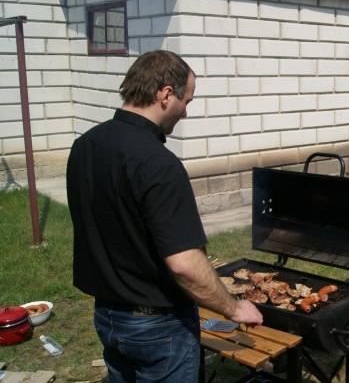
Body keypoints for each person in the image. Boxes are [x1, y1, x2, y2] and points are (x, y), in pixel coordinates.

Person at [66, 50, 263, 383]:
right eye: (187, 100)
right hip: (159, 327)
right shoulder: (159, 164)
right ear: (165, 94)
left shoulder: (85, 146)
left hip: (108, 316)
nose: (186, 112)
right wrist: (234, 308)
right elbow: (184, 263)